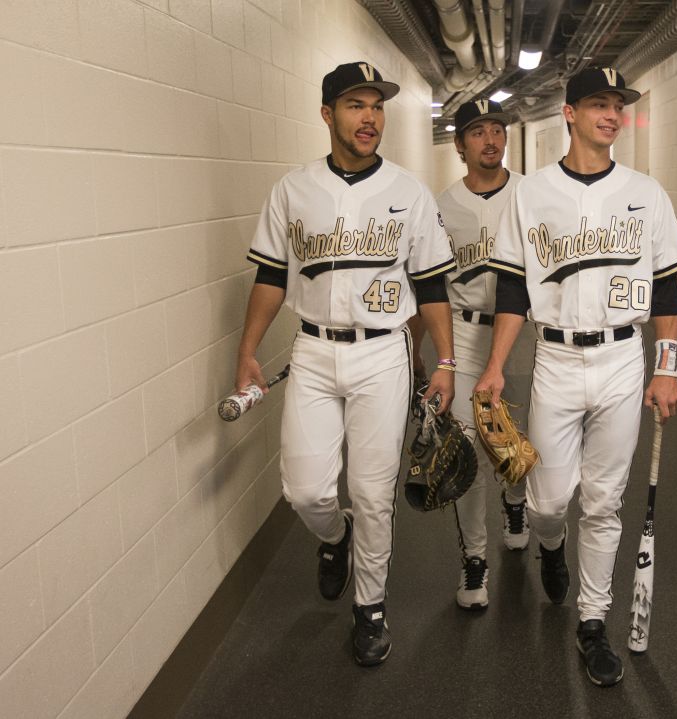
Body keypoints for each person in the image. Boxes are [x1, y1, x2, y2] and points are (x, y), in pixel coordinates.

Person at [474, 67, 677, 687]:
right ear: (569, 114)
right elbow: (515, 287)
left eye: (617, 105)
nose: (611, 114)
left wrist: (667, 367)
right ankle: (548, 545)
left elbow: (669, 285)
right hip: (559, 359)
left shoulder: (645, 192)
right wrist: (493, 366)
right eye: (598, 104)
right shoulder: (533, 192)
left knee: (603, 500)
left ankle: (593, 622)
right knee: (547, 501)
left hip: (625, 357)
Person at [234, 61, 456, 666]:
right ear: (328, 115)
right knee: (304, 490)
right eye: (356, 105)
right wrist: (248, 351)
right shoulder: (292, 189)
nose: (369, 117)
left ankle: (371, 608)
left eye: (377, 106)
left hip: (383, 352)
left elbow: (432, 286)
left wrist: (446, 362)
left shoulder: (408, 192)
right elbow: (271, 275)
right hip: (311, 350)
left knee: (371, 488)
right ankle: (335, 538)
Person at [411, 99, 530, 611]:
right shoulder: (441, 206)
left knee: (522, 442)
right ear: (459, 144)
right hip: (462, 332)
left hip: (526, 331)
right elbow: (428, 286)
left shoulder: (532, 195)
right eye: (477, 131)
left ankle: (518, 504)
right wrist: (419, 352)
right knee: (468, 451)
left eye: (497, 129)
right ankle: (475, 559)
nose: (490, 139)